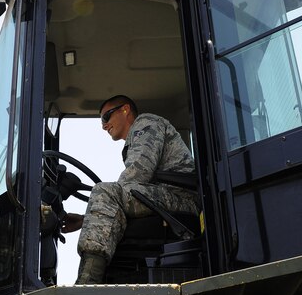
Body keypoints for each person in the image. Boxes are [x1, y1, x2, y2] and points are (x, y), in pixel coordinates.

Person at [62, 95, 200, 284]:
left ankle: (87, 283)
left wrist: (100, 200)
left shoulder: (147, 123)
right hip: (163, 199)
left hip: (181, 199)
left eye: (106, 117)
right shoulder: (133, 139)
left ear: (125, 109)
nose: (104, 125)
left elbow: (137, 174)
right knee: (106, 194)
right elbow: (132, 193)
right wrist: (88, 218)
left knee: (104, 191)